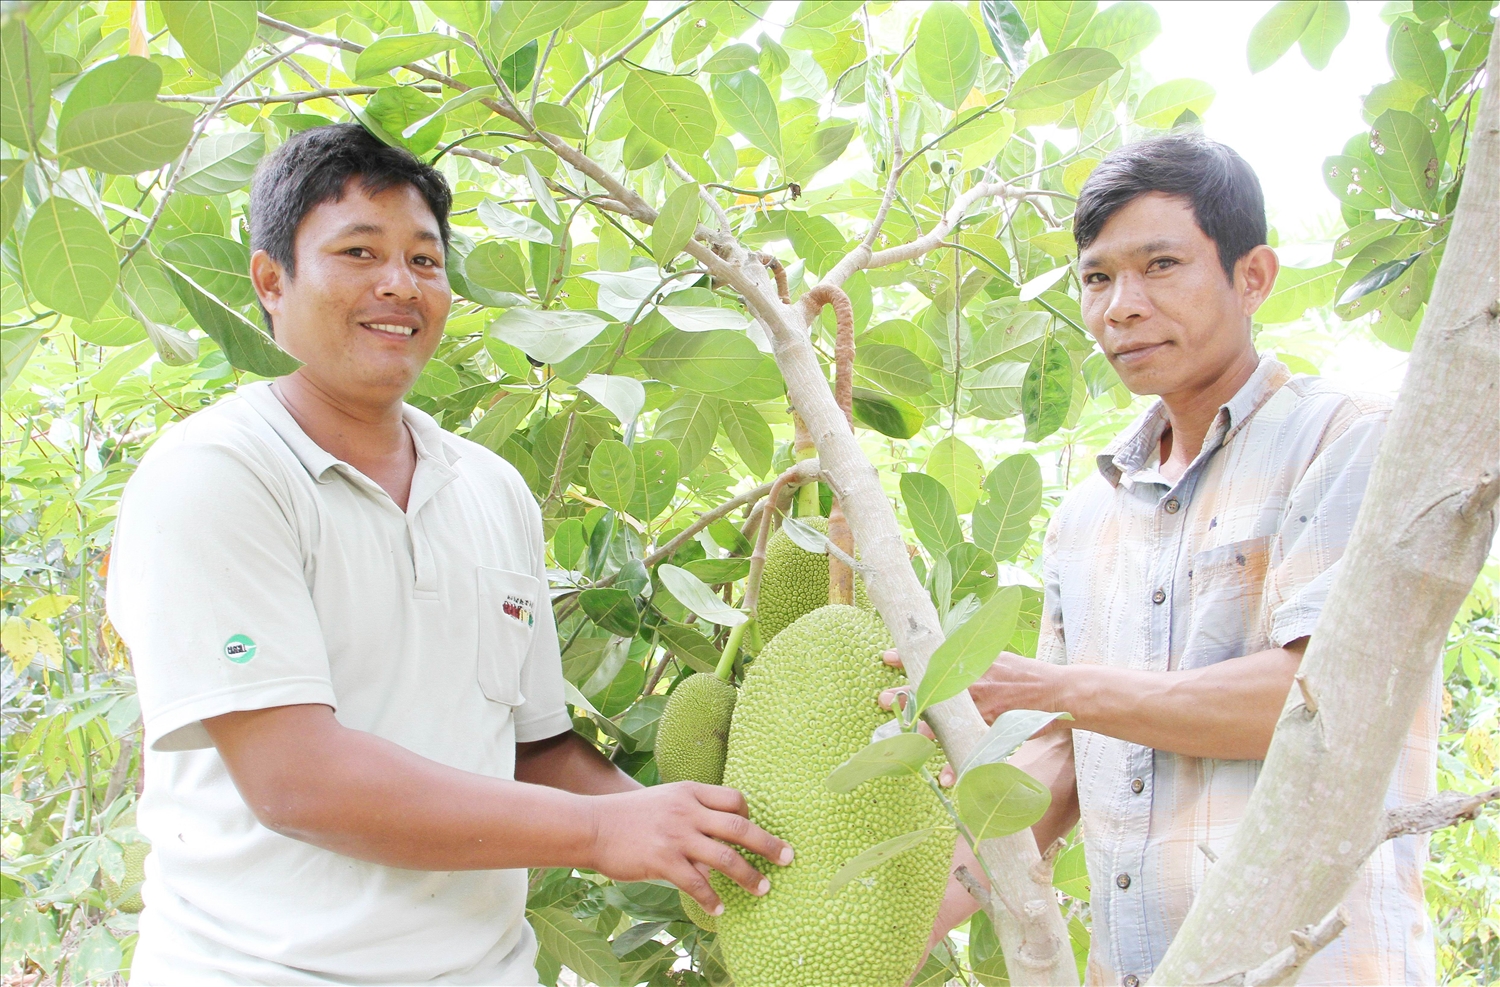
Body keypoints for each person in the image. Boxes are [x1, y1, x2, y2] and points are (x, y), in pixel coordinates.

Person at [105, 123, 791, 986]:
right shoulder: (214, 476)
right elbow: (295, 779)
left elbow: (533, 748)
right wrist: (603, 834)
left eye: (425, 262)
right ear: (270, 281)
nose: (399, 284)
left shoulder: (492, 489)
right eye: (359, 251)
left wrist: (678, 830)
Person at [885, 134, 1436, 986]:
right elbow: (1066, 756)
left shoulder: (1346, 441)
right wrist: (901, 922)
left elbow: (1319, 701)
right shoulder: (1084, 516)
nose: (1121, 307)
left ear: (1252, 276)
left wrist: (1046, 688)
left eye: (1161, 265)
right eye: (1099, 277)